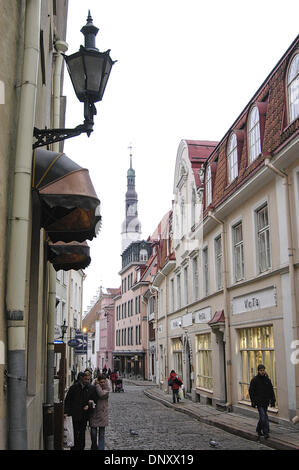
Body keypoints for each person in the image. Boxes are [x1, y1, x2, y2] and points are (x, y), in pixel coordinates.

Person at [64, 372, 97, 450]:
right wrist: (66, 412)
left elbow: (94, 400)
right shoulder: (74, 388)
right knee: (74, 432)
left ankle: (81, 447)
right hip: (74, 413)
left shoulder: (91, 388)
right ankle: (74, 447)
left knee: (82, 432)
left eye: (88, 379)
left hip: (84, 415)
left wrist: (88, 406)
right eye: (85, 379)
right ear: (81, 378)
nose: (87, 381)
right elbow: (68, 400)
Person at [249, 364, 276, 440]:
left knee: (263, 417)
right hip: (259, 402)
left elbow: (271, 390)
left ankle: (258, 429)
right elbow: (251, 392)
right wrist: (253, 402)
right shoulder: (254, 380)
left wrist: (273, 400)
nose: (262, 372)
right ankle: (266, 432)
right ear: (258, 371)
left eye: (263, 370)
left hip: (265, 402)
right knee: (264, 417)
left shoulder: (267, 380)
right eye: (261, 370)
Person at [89, 374, 110, 450]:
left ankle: (101, 449)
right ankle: (94, 446)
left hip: (102, 413)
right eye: (101, 382)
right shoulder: (92, 387)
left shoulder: (107, 389)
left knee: (101, 434)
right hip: (94, 412)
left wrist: (97, 385)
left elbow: (101, 394)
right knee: (93, 433)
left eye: (104, 382)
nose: (102, 383)